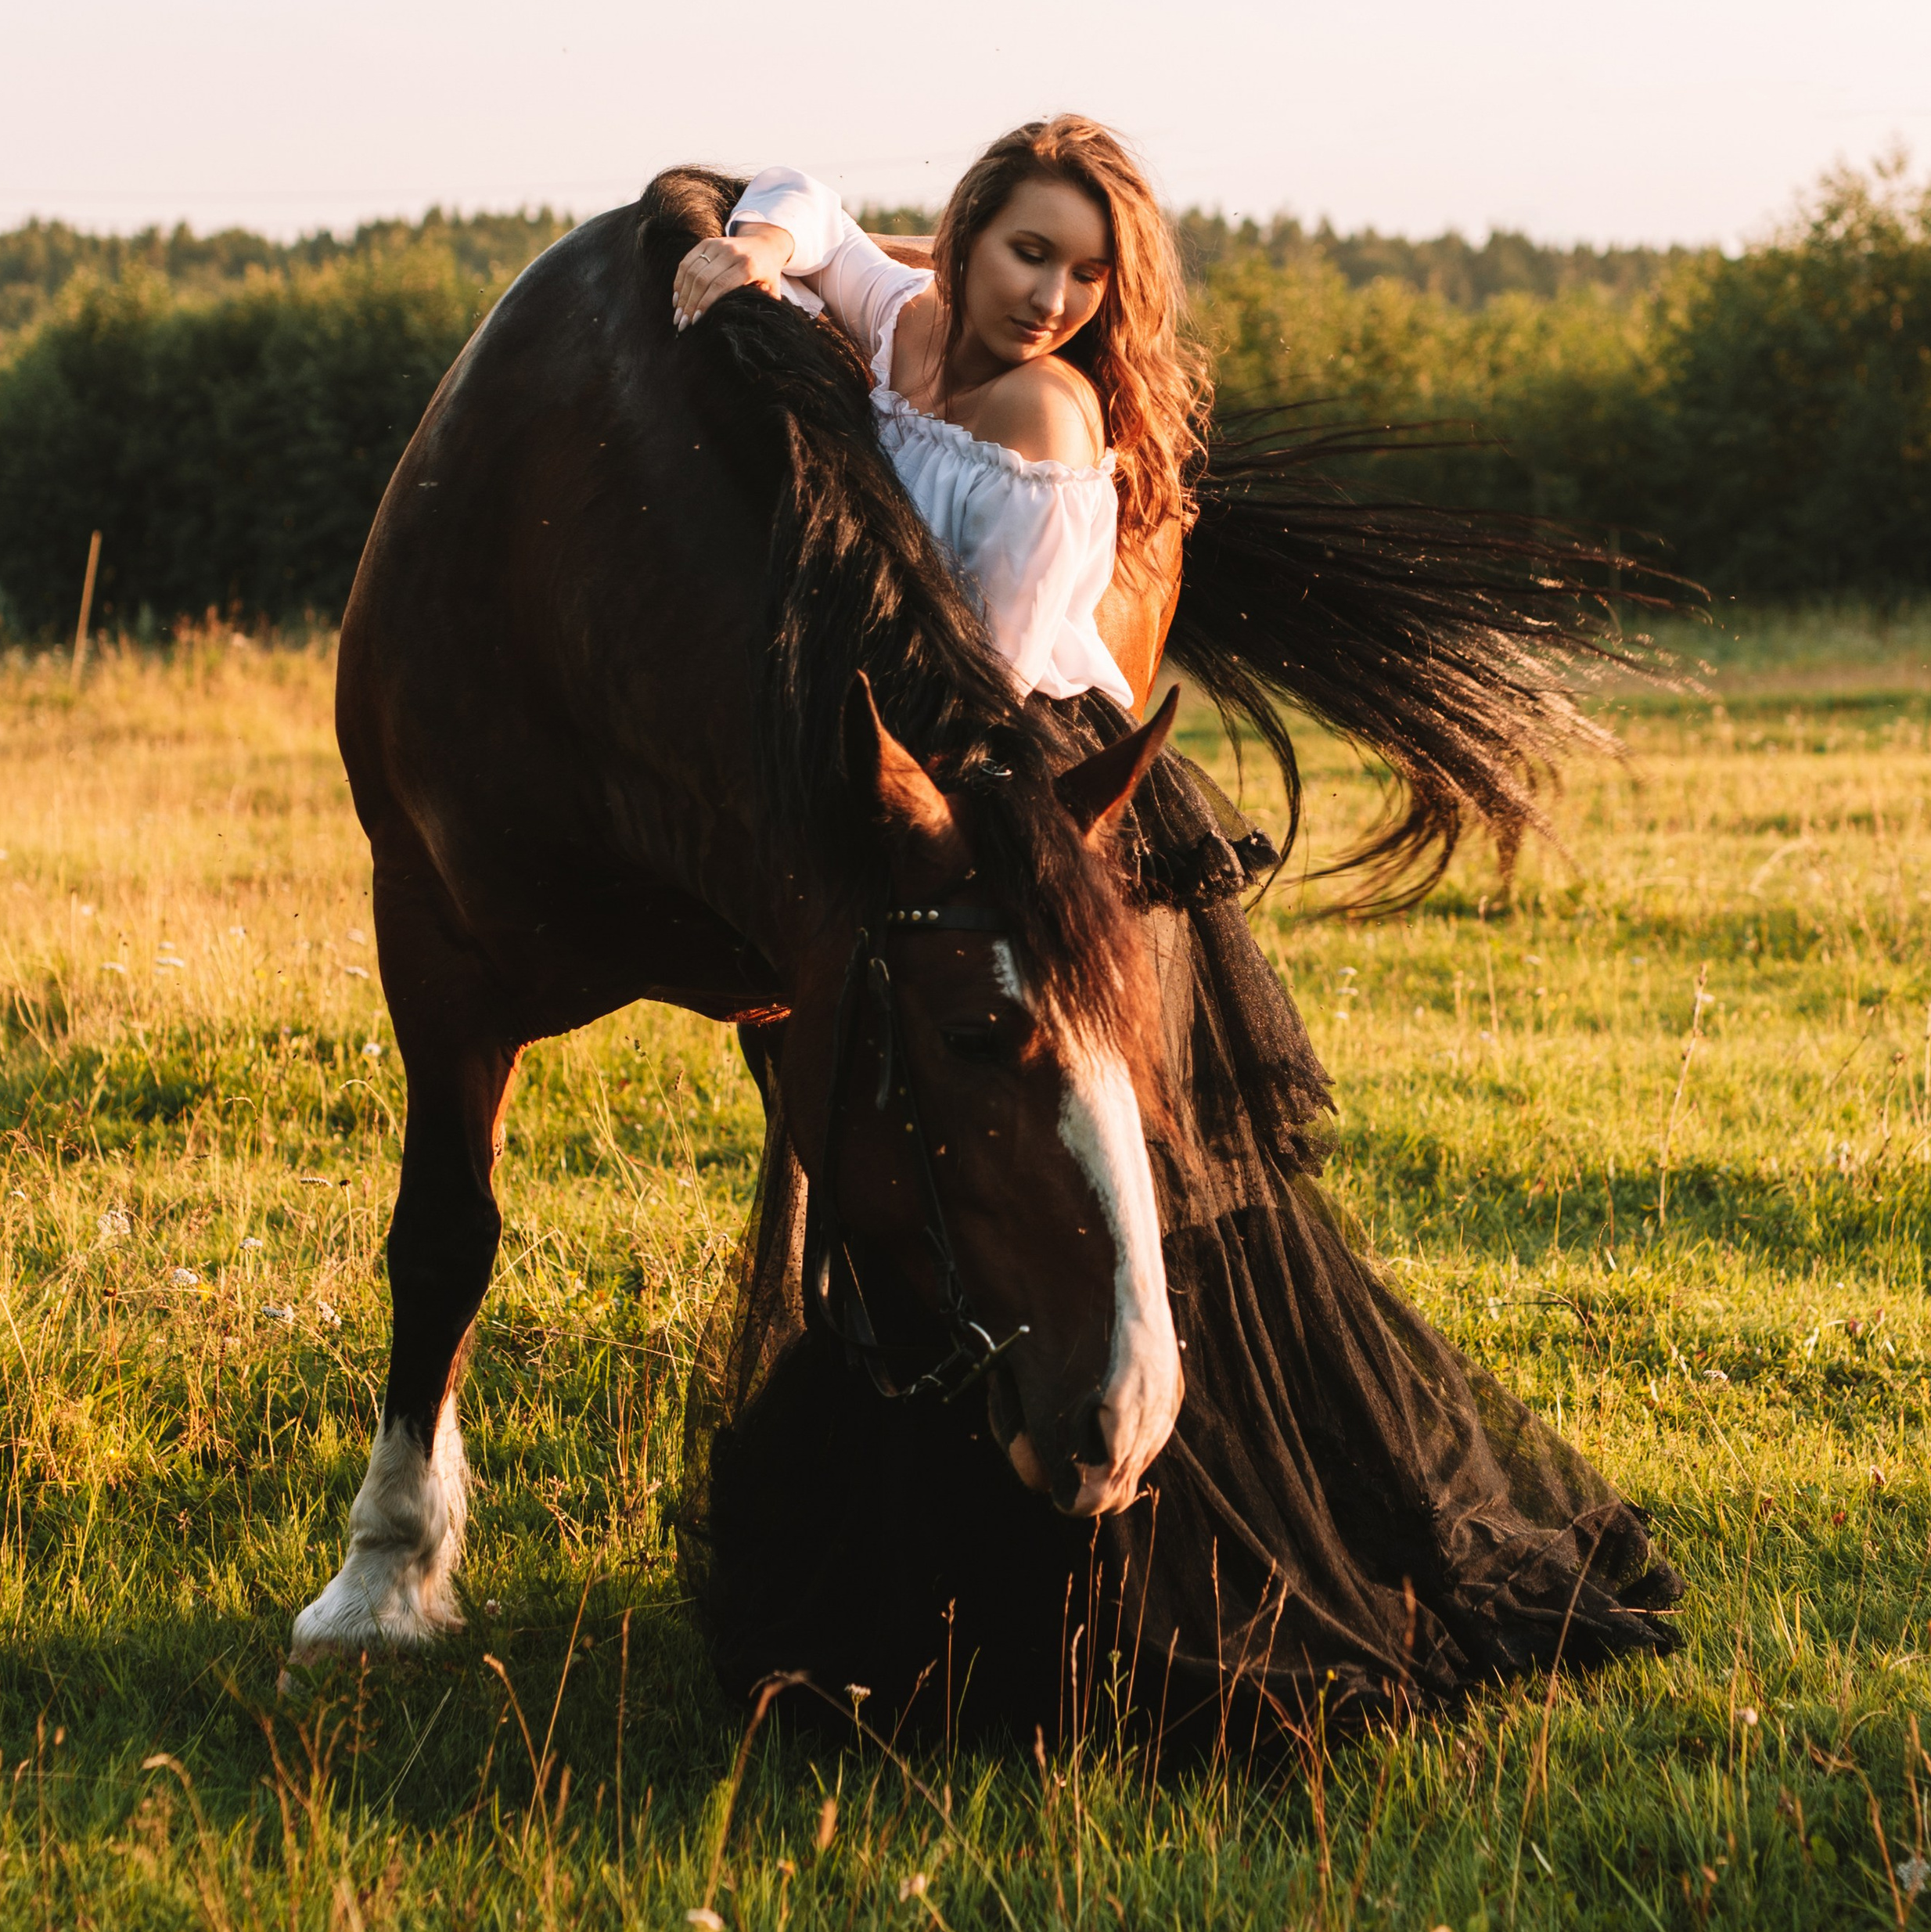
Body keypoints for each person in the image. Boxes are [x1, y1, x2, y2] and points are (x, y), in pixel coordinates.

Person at [674, 115, 1681, 1759]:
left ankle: (1158, 1590)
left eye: (1089, 273)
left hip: (1041, 819)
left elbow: (979, 689)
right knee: (944, 1175)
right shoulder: (917, 320)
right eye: (1028, 251)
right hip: (947, 804)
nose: (1053, 296)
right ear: (969, 227)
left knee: (1116, 1193)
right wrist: (757, 257)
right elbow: (805, 208)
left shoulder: (1045, 426)